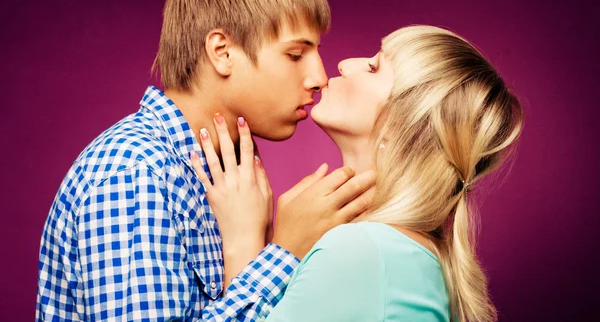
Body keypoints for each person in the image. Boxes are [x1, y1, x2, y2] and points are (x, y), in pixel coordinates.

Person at [36, 0, 375, 321]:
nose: (318, 77)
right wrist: (284, 252)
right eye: (295, 54)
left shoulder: (224, 176)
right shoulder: (134, 173)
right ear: (223, 52)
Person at [193, 25, 523, 322]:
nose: (343, 65)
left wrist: (244, 244)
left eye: (373, 67)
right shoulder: (391, 248)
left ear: (402, 124)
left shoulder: (363, 250)